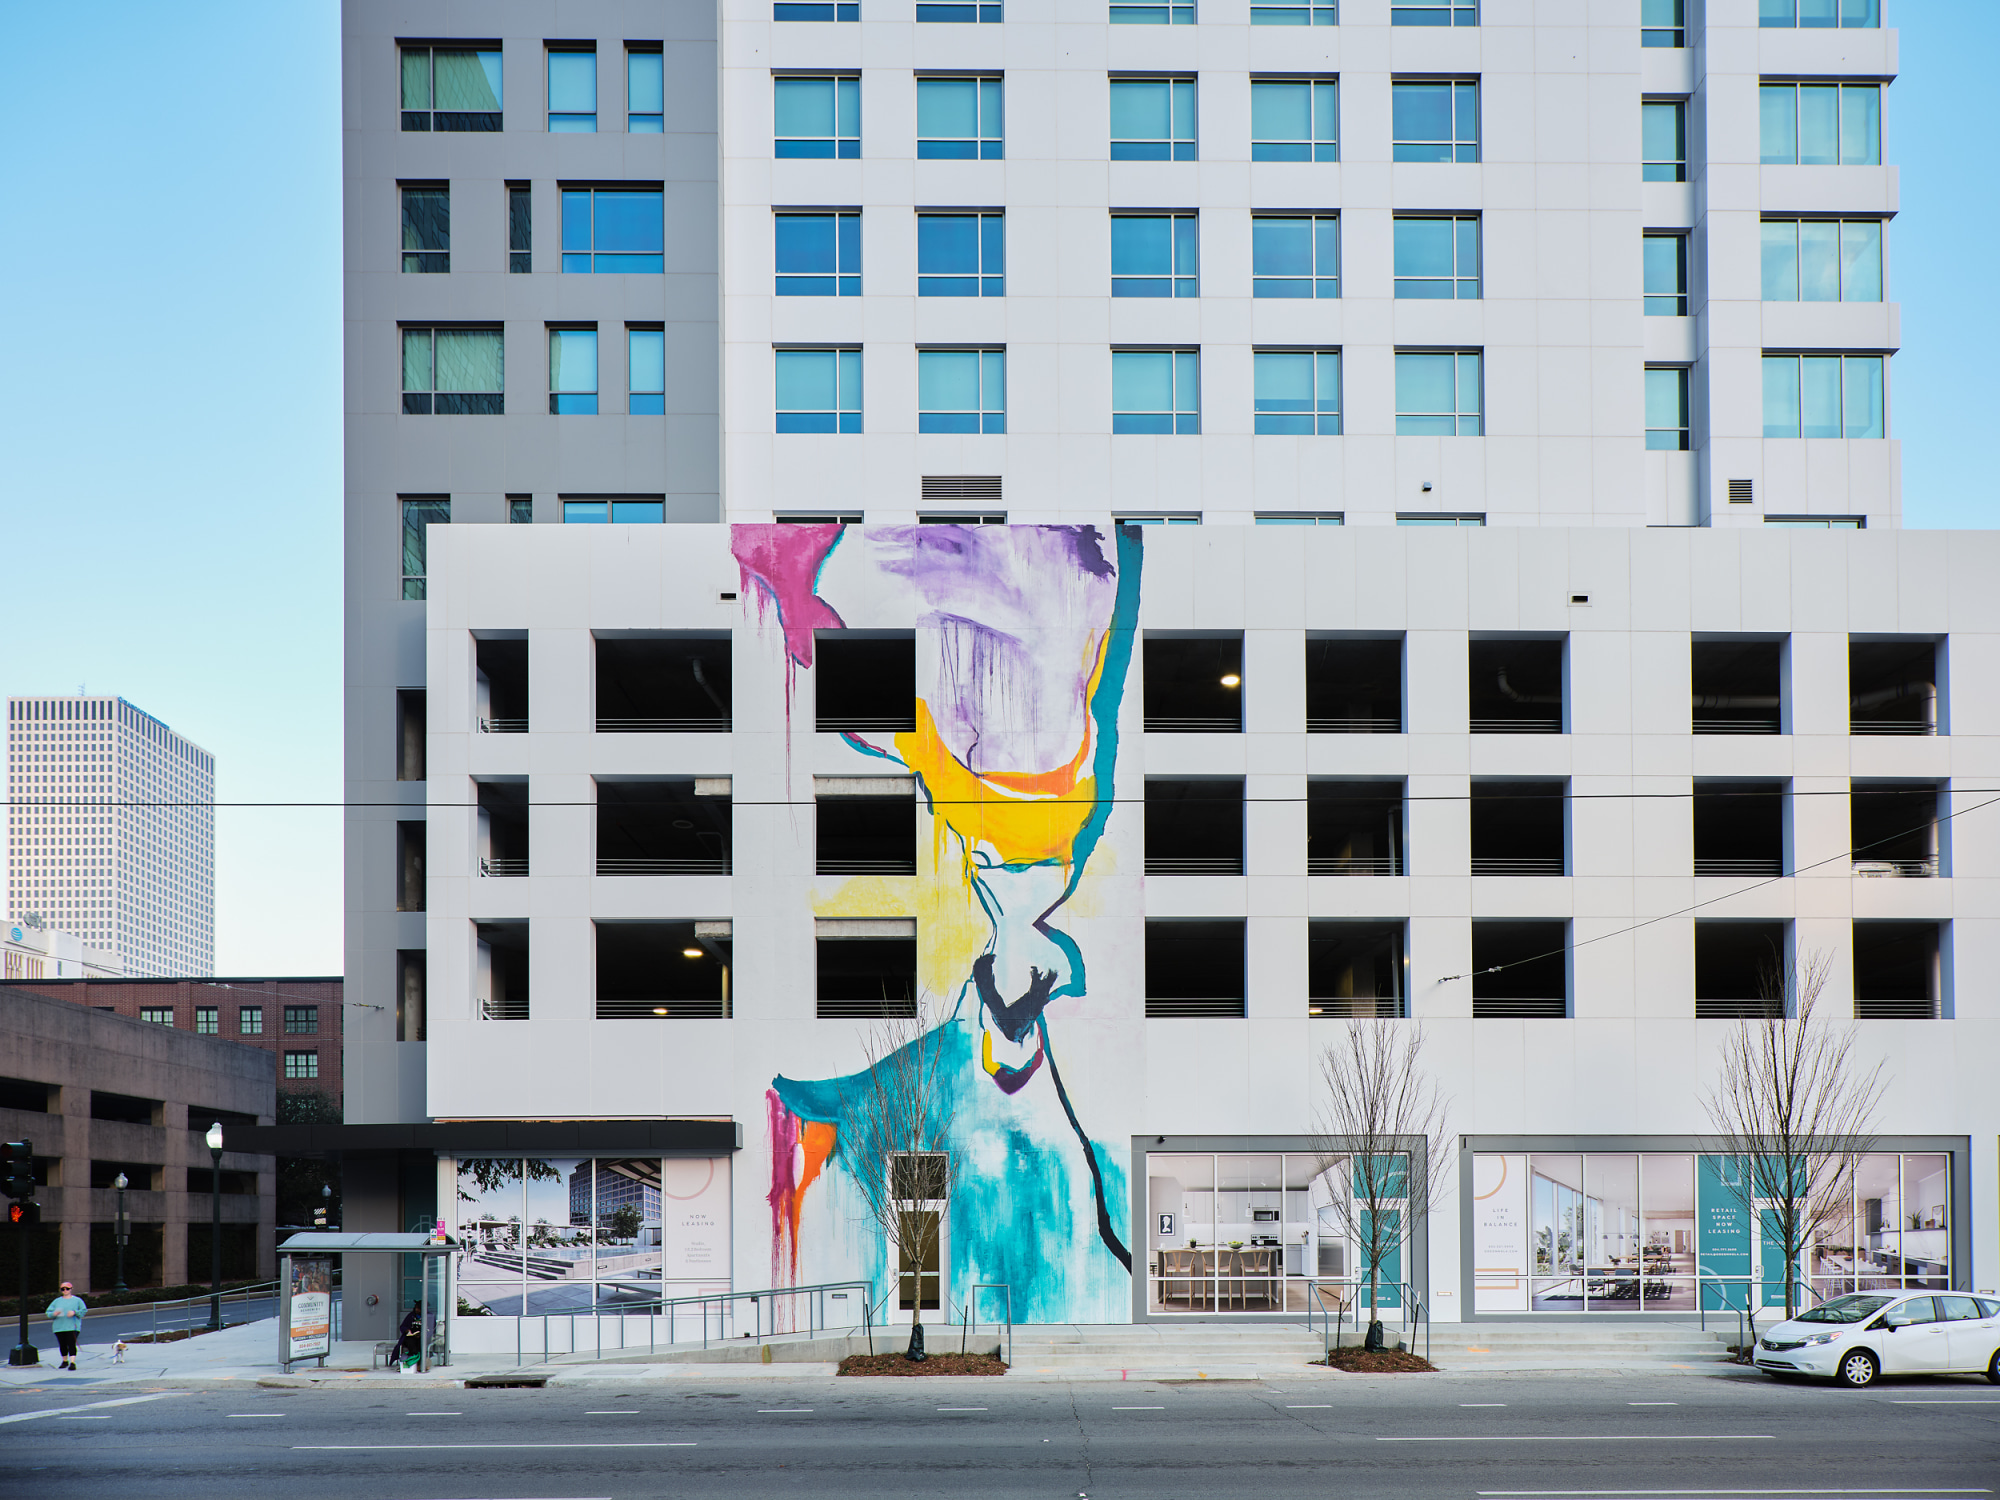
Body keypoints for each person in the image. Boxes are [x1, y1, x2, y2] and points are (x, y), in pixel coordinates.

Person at [45, 1283, 87, 1370]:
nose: (65, 1291)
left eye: (67, 1288)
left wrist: (74, 1312)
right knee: (62, 1344)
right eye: (62, 1289)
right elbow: (48, 1312)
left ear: (71, 1289)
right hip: (59, 1327)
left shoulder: (77, 1300)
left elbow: (83, 1311)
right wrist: (54, 1313)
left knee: (71, 1344)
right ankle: (64, 1361)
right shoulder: (56, 1301)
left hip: (72, 1327)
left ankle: (72, 1362)